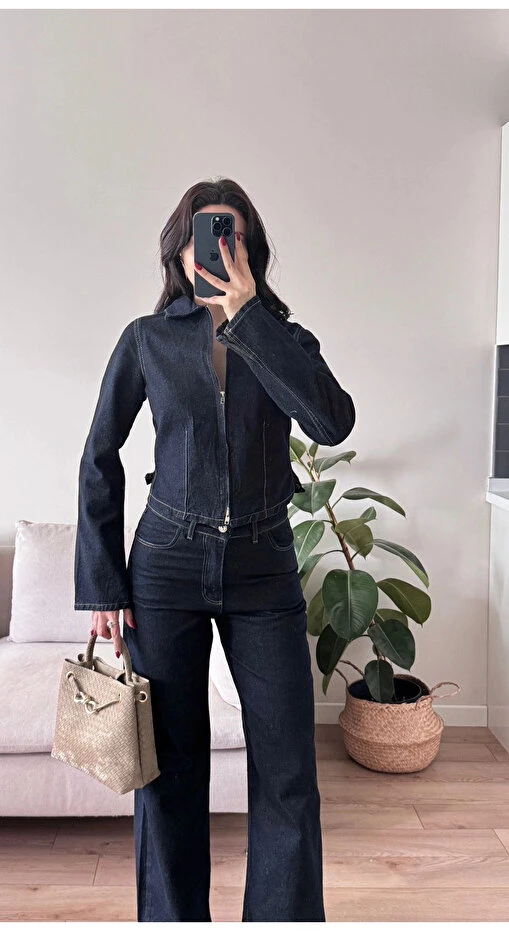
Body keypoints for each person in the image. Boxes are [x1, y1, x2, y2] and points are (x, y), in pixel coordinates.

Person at [74, 178, 356, 922]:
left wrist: (249, 314)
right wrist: (102, 584)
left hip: (264, 568)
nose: (218, 250)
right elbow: (98, 456)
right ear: (181, 249)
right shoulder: (147, 339)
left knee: (289, 772)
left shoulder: (283, 337)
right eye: (206, 236)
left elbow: (331, 423)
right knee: (167, 771)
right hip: (165, 566)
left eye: (232, 236)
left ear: (250, 249)